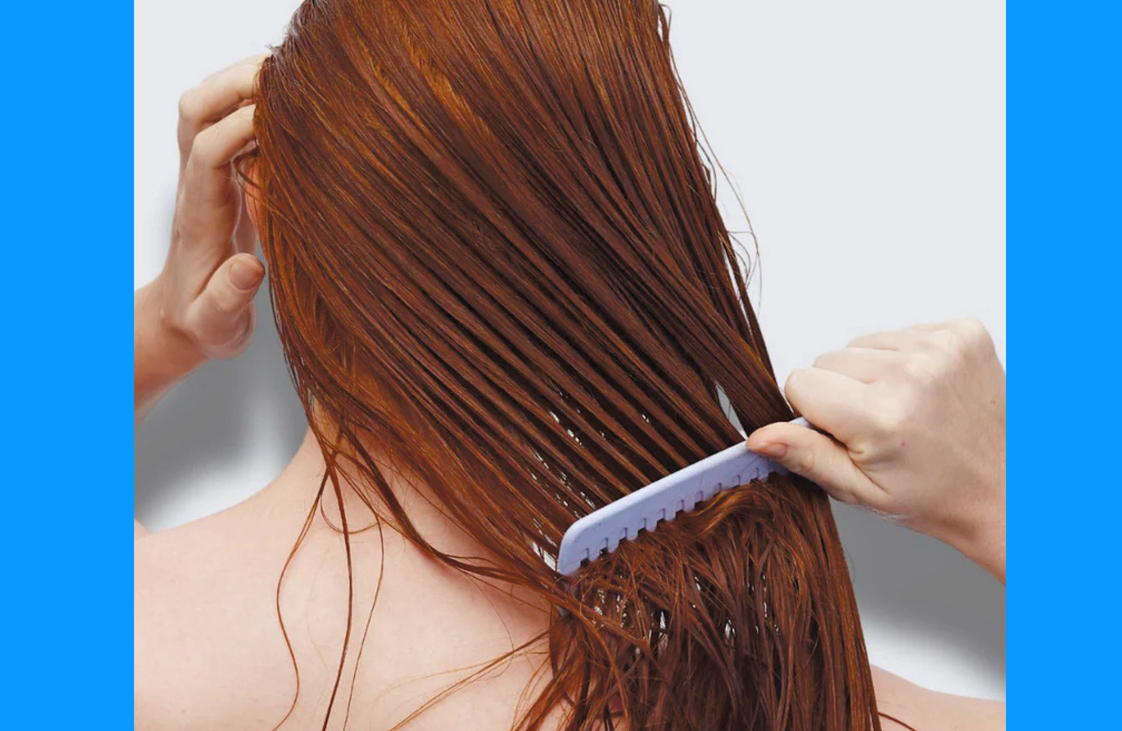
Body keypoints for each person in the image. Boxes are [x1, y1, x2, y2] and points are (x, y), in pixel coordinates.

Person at [135, 9, 1004, 729]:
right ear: (640, 222)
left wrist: (168, 327)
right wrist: (996, 491)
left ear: (259, 196)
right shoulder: (805, 705)